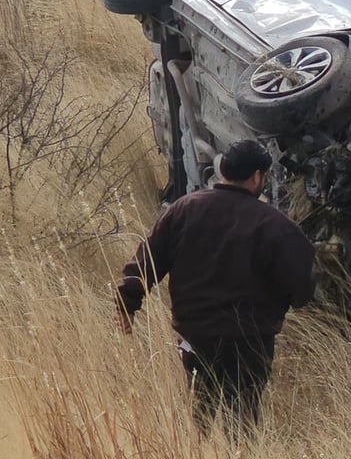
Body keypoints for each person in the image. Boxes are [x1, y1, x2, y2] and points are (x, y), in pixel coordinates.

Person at [115, 139, 316, 436]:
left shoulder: (183, 209)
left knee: (202, 414)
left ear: (223, 170)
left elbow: (146, 262)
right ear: (257, 177)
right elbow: (302, 289)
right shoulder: (276, 226)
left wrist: (126, 304)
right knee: (243, 420)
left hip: (195, 336)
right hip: (250, 342)